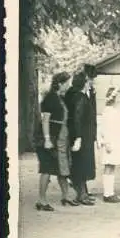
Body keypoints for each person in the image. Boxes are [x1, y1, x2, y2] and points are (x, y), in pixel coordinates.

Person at [34, 72, 79, 211]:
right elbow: (45, 120)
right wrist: (47, 139)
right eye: (67, 83)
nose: (69, 85)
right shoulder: (50, 98)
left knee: (62, 167)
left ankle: (66, 196)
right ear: (60, 83)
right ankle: (41, 201)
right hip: (50, 138)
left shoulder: (60, 97)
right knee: (46, 169)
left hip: (61, 138)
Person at [65, 64, 98, 201]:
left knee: (84, 162)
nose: (92, 82)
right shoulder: (79, 97)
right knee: (80, 163)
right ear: (85, 81)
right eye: (90, 80)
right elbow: (77, 118)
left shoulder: (82, 95)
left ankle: (83, 190)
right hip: (81, 135)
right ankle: (81, 194)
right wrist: (78, 137)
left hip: (86, 135)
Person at [99, 87, 120, 203]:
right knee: (109, 167)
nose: (119, 99)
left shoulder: (114, 110)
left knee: (112, 166)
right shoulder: (108, 111)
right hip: (110, 141)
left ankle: (110, 192)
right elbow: (105, 128)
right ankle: (107, 193)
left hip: (114, 140)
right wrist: (107, 143)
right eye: (118, 97)